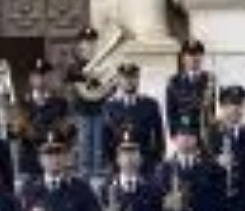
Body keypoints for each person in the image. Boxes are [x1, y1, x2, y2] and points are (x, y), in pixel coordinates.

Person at [102, 63, 166, 178]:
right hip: (119, 164)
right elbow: (106, 138)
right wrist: (110, 162)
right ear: (119, 80)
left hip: (145, 163)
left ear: (138, 79)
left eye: (133, 78)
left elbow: (159, 135)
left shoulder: (150, 104)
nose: (129, 82)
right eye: (125, 78)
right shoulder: (110, 106)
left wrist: (157, 160)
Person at [64, 26, 109, 183]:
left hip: (101, 109)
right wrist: (86, 75)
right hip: (81, 110)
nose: (89, 46)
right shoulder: (74, 66)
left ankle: (98, 174)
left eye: (92, 43)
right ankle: (84, 176)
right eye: (86, 43)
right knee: (84, 143)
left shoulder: (104, 64)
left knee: (99, 145)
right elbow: (70, 85)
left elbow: (110, 86)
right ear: (80, 45)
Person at [14, 58, 69, 185]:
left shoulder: (61, 103)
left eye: (45, 75)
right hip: (30, 162)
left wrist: (35, 130)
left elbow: (66, 132)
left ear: (50, 78)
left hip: (55, 162)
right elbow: (16, 132)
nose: (41, 79)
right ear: (30, 78)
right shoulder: (21, 103)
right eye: (37, 75)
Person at [166, 39, 215, 141]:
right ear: (183, 58)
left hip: (205, 133)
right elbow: (171, 111)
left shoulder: (210, 79)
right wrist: (174, 134)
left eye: (197, 54)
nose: (194, 59)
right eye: (190, 55)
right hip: (184, 133)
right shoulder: (174, 81)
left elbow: (213, 109)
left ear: (202, 57)